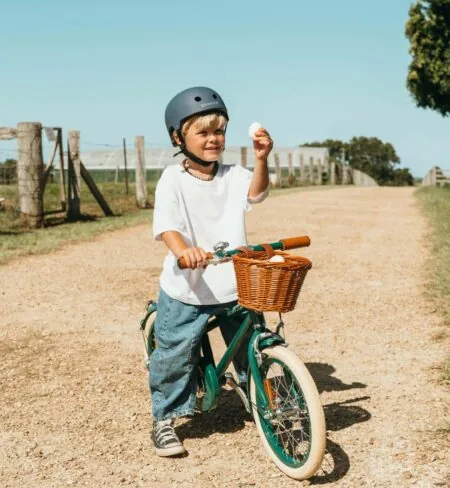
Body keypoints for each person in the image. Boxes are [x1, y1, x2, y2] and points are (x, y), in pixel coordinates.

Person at [149, 86, 273, 457]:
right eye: (203, 132)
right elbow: (167, 225)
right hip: (189, 286)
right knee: (173, 353)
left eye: (218, 131)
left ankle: (262, 401)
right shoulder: (173, 179)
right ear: (178, 137)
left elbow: (256, 193)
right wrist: (183, 251)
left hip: (234, 283)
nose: (213, 139)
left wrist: (263, 158)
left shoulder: (233, 175)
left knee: (254, 342)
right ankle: (165, 418)